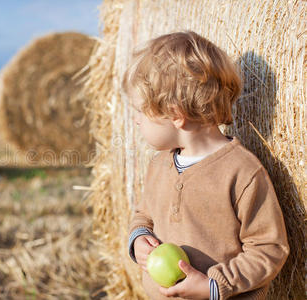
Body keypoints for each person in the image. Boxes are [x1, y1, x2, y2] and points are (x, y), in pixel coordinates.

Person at [123, 31, 289, 300]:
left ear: (176, 114)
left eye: (141, 111)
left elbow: (269, 248)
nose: (136, 120)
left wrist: (214, 285)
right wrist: (139, 237)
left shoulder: (241, 172)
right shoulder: (158, 166)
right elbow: (144, 215)